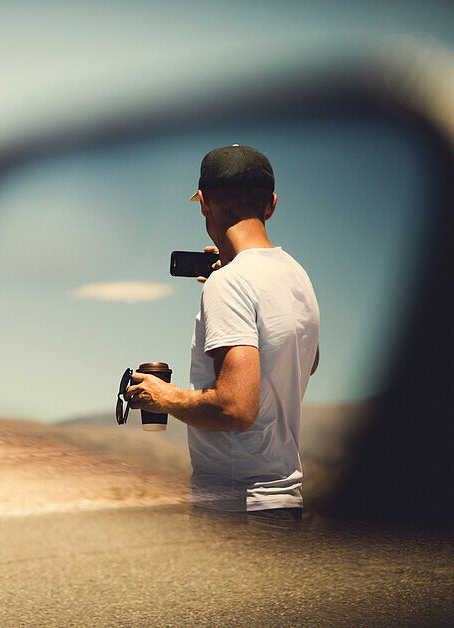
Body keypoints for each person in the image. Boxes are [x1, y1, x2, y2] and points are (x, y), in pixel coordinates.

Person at [124, 145, 320, 524]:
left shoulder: (228, 284)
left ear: (205, 203)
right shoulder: (298, 276)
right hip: (282, 504)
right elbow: (302, 364)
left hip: (236, 510)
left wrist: (164, 396)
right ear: (271, 205)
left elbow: (236, 407)